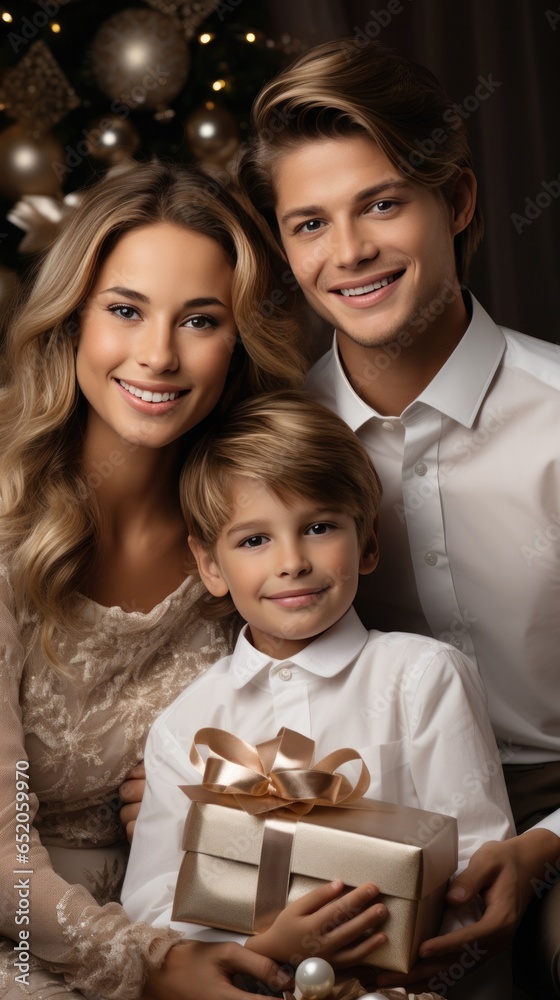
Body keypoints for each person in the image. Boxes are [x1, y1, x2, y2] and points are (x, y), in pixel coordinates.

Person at [236, 38, 560, 998]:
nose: (350, 254)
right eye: (310, 224)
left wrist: (543, 845)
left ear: (455, 204)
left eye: (382, 204)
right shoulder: (275, 455)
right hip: (360, 803)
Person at [0, 161, 307, 999]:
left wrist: (216, 803)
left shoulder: (254, 534)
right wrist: (150, 964)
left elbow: (319, 715)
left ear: (238, 338)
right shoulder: (4, 519)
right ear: (72, 321)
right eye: (126, 310)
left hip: (187, 908)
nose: (158, 356)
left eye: (200, 320)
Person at [121, 390, 514, 1000]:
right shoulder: (186, 725)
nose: (292, 562)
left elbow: (476, 861)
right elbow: (149, 903)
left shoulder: (423, 676)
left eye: (319, 527)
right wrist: (260, 946)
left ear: (368, 542)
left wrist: (397, 956)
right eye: (254, 540)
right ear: (210, 565)